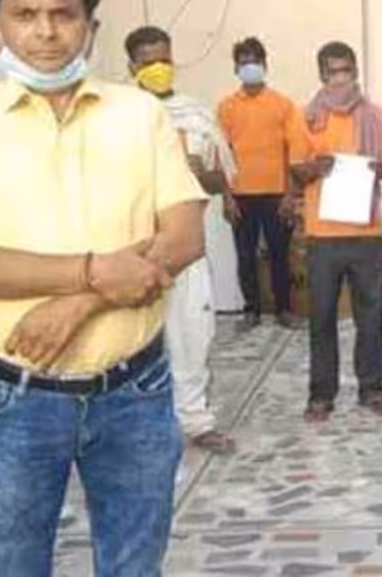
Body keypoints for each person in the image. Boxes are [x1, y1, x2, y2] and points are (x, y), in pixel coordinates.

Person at [0, 0, 205, 575]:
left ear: (91, 24)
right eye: (24, 15)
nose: (45, 33)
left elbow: (183, 237)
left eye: (63, 14)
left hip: (135, 390)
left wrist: (79, 301)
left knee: (134, 567)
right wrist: (95, 268)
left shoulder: (140, 115)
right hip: (12, 398)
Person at [126, 25, 239, 455]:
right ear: (132, 66)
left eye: (165, 60)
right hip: (137, 249)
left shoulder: (195, 115)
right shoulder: (121, 117)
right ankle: (142, 427)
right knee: (138, 340)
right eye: (148, 62)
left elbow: (220, 179)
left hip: (187, 247)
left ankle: (196, 421)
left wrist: (196, 170)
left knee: (193, 333)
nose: (159, 68)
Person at [289, 42, 382, 423]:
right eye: (332, 71)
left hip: (368, 231)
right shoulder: (306, 117)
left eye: (346, 70)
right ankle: (321, 395)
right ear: (321, 75)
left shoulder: (375, 116)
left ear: (355, 71)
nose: (340, 78)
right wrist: (315, 168)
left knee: (372, 315)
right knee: (321, 316)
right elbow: (296, 171)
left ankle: (372, 389)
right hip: (323, 234)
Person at [218, 37, 303, 332]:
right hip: (240, 195)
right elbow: (221, 155)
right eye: (244, 63)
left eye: (255, 61)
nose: (250, 67)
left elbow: (295, 153)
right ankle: (251, 310)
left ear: (265, 65)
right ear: (236, 68)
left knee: (280, 255)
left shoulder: (283, 105)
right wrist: (227, 198)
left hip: (277, 194)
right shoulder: (226, 107)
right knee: (245, 256)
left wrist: (290, 196)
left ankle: (284, 309)